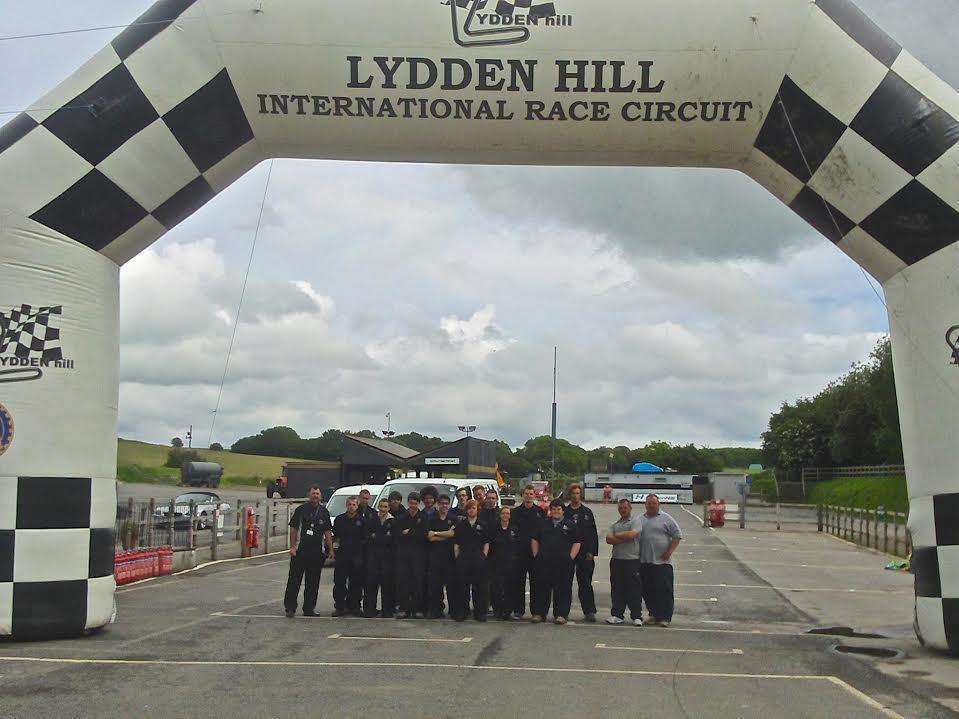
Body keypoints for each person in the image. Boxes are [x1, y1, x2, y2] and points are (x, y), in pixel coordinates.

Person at [284, 486, 333, 618]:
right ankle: (290, 608)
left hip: (316, 553)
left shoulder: (324, 512)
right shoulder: (300, 510)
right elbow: (294, 529)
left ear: (320, 496)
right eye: (313, 493)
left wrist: (331, 549)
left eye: (317, 493)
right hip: (300, 551)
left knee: (313, 583)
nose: (315, 496)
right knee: (294, 581)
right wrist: (293, 546)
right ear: (309, 495)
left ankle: (309, 608)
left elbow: (327, 532)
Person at [531, 498, 581, 625]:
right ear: (550, 511)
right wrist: (536, 555)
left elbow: (577, 542)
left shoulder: (570, 525)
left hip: (563, 563)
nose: (556, 511)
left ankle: (561, 614)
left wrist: (571, 557)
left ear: (563, 511)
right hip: (544, 562)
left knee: (563, 589)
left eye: (558, 509)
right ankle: (539, 613)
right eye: (553, 509)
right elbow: (535, 539)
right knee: (542, 588)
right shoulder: (543, 524)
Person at [638, 494, 683, 627]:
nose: (651, 506)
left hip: (662, 563)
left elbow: (677, 535)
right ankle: (653, 614)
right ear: (645, 505)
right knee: (647, 590)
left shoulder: (666, 518)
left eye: (654, 503)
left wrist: (669, 551)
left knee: (664, 591)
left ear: (658, 504)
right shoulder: (640, 519)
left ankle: (665, 617)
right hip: (645, 561)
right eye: (649, 503)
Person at [605, 498, 644, 625]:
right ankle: (617, 615)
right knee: (617, 589)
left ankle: (636, 616)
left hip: (632, 561)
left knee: (634, 589)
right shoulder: (615, 524)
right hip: (617, 560)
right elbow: (608, 539)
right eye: (620, 508)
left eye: (625, 508)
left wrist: (618, 536)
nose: (623, 510)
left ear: (630, 508)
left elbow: (632, 535)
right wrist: (624, 536)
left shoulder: (636, 521)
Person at [564, 484, 598, 622]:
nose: (575, 496)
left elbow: (593, 534)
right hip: (567, 552)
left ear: (580, 495)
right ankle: (563, 611)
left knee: (585, 582)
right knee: (565, 583)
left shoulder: (587, 513)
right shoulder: (564, 512)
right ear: (570, 495)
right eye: (573, 493)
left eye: (578, 493)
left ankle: (589, 611)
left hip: (585, 553)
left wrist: (592, 552)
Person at [510, 485, 546, 618]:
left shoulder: (540, 512)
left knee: (536, 583)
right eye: (526, 493)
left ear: (534, 496)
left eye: (531, 494)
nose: (528, 496)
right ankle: (518, 610)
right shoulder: (515, 512)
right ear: (522, 495)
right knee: (518, 582)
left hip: (535, 553)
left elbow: (543, 532)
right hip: (519, 553)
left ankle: (536, 611)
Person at [453, 499, 490, 621]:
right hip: (464, 558)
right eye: (469, 508)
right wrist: (457, 557)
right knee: (462, 587)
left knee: (479, 587)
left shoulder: (483, 524)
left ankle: (480, 613)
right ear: (466, 510)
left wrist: (483, 556)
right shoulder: (461, 525)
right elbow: (456, 543)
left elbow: (486, 542)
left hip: (478, 558)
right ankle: (462, 612)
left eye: (473, 508)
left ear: (477, 509)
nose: (471, 510)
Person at [393, 491, 428, 619]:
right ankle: (403, 608)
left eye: (415, 503)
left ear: (419, 504)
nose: (413, 505)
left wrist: (409, 532)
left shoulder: (423, 517)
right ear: (408, 503)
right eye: (411, 503)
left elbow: (424, 534)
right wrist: (411, 533)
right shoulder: (401, 517)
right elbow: (397, 534)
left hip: (418, 555)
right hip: (403, 555)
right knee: (403, 582)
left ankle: (417, 609)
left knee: (417, 582)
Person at [332, 496, 367, 616]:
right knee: (339, 582)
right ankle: (340, 607)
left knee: (356, 583)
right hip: (342, 555)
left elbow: (365, 538)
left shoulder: (362, 520)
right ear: (346, 505)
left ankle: (355, 606)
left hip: (357, 556)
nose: (351, 507)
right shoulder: (339, 519)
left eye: (354, 505)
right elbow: (335, 536)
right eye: (349, 504)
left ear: (357, 506)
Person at [489, 505, 523, 620]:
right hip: (496, 562)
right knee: (496, 588)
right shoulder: (494, 528)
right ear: (500, 515)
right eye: (503, 513)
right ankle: (497, 610)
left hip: (511, 563)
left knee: (510, 588)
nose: (505, 515)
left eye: (508, 513)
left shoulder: (515, 529)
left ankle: (507, 611)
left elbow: (519, 545)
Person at [426, 494, 457, 618]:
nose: (444, 505)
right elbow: (429, 537)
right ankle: (436, 610)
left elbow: (453, 534)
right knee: (435, 585)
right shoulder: (431, 518)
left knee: (452, 586)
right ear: (438, 504)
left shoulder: (453, 518)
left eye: (446, 503)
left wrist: (437, 533)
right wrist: (446, 535)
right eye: (442, 503)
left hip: (449, 557)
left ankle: (454, 611)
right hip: (435, 557)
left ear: (449, 505)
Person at [364, 497, 395, 618]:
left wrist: (377, 537)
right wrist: (380, 538)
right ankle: (369, 610)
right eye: (381, 506)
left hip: (387, 558)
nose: (383, 509)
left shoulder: (392, 521)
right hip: (373, 557)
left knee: (387, 585)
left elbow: (392, 540)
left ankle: (387, 611)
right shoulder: (372, 519)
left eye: (385, 507)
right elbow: (367, 536)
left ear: (389, 508)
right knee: (371, 584)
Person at [418, 485, 440, 614]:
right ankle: (423, 606)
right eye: (426, 498)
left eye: (431, 498)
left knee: (435, 582)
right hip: (422, 552)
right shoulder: (420, 515)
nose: (428, 501)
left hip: (436, 552)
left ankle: (436, 607)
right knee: (422, 580)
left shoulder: (438, 514)